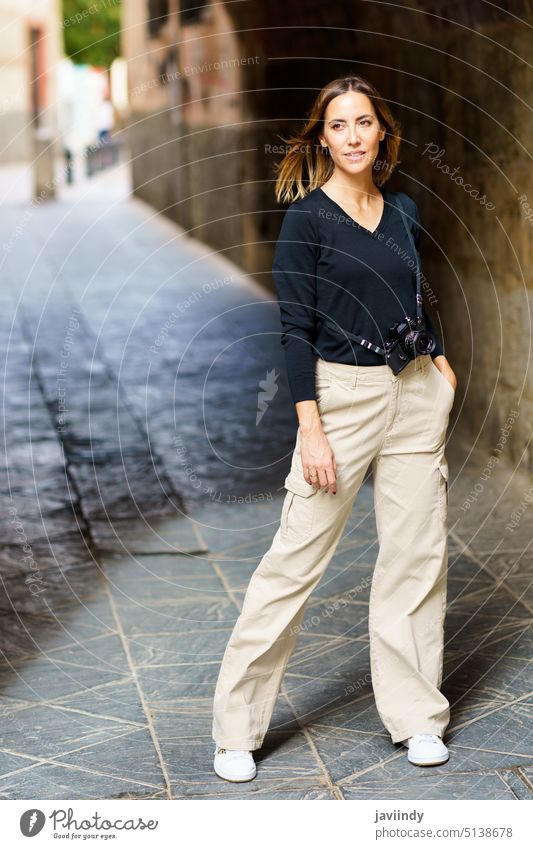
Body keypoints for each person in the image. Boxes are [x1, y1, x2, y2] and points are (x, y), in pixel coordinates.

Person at [212, 74, 457, 782]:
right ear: (321, 137)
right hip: (339, 401)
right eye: (338, 124)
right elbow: (293, 330)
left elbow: (414, 291)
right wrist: (309, 428)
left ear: (382, 132)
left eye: (363, 122)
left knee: (414, 561)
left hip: (413, 396)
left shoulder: (403, 209)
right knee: (293, 561)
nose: (352, 136)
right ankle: (236, 727)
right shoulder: (307, 220)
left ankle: (416, 717)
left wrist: (439, 362)